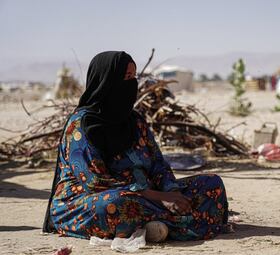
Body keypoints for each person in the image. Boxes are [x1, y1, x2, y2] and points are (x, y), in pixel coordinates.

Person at [42, 51, 229, 241]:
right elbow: (96, 183)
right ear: (108, 80)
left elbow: (158, 164)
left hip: (149, 195)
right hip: (87, 201)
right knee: (118, 204)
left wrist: (172, 193)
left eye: (134, 77)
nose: (132, 84)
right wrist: (158, 197)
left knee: (211, 184)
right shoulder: (81, 126)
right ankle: (172, 223)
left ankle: (154, 226)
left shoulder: (135, 121)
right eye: (127, 77)